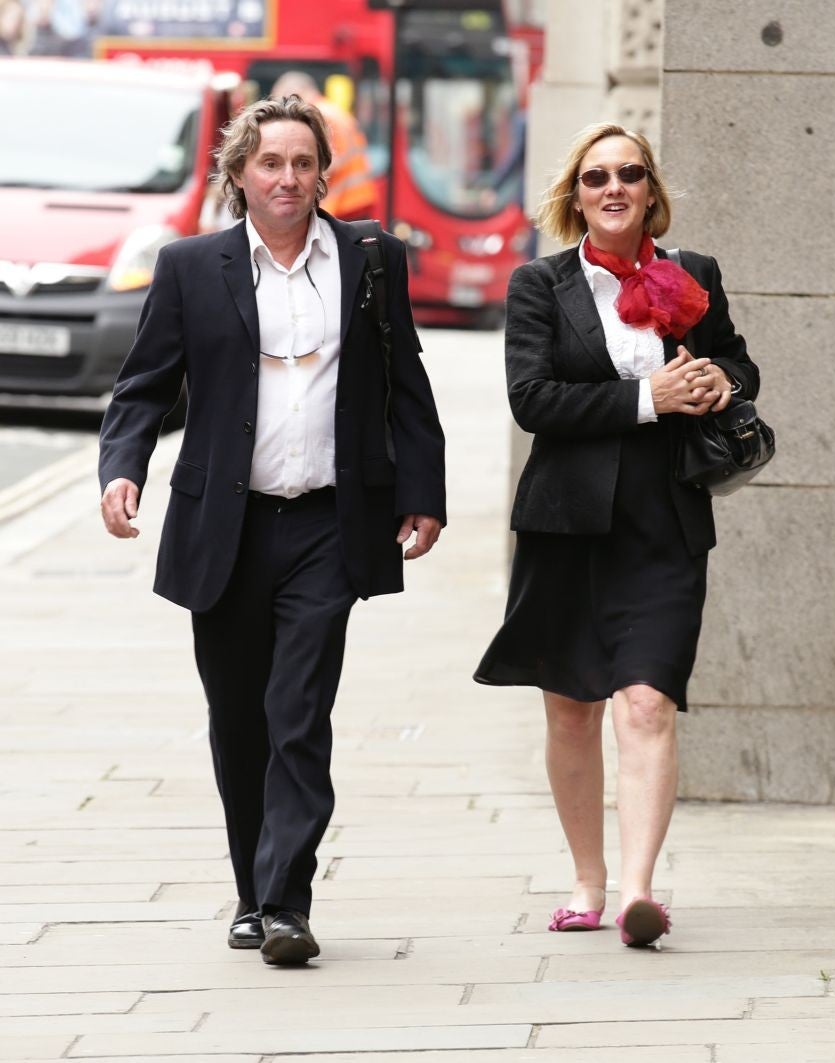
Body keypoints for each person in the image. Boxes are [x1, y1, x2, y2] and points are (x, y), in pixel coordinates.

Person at [99, 95, 446, 965]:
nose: (287, 179)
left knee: (298, 709)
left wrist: (424, 490)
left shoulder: (370, 258)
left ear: (322, 170)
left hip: (332, 521)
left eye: (302, 162)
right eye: (269, 163)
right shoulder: (189, 267)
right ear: (239, 175)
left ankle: (289, 900)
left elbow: (408, 383)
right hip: (226, 525)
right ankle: (252, 892)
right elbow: (144, 384)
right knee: (238, 720)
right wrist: (122, 468)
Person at [474, 123, 759, 947]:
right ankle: (587, 880)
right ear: (575, 194)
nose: (614, 187)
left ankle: (639, 890)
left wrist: (717, 377)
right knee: (571, 708)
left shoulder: (694, 276)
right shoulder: (539, 285)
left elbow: (741, 362)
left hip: (666, 522)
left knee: (645, 701)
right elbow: (533, 400)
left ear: (649, 188)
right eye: (596, 175)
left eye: (630, 173)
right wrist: (648, 400)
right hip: (565, 523)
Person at [271, 71, 377, 222]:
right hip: (355, 197)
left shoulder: (321, 115)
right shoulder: (331, 110)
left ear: (295, 94)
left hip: (345, 200)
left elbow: (331, 161)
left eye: (285, 102)